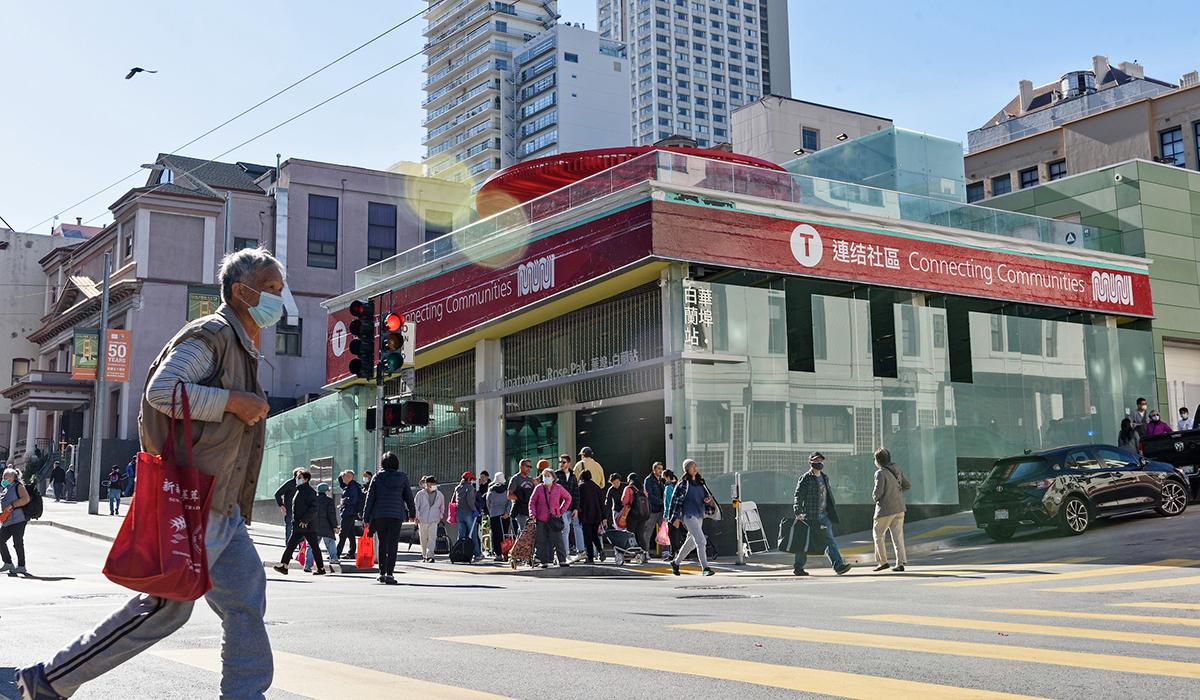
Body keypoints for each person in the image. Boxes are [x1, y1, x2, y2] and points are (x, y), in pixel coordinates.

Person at [18, 246, 280, 699]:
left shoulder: (241, 345)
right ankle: (48, 680)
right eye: (272, 288)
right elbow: (164, 391)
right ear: (241, 292)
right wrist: (234, 401)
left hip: (222, 504)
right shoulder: (213, 334)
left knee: (245, 600)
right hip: (196, 499)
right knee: (165, 608)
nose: (280, 298)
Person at [793, 451, 851, 577]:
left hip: (824, 516)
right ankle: (798, 567)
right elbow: (798, 495)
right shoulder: (805, 478)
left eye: (820, 460)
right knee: (804, 541)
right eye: (816, 460)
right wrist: (798, 511)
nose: (819, 462)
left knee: (829, 540)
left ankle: (838, 566)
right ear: (810, 462)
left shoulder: (825, 477)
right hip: (810, 516)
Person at [362, 452, 416, 584]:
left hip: (380, 515)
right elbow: (409, 497)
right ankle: (390, 574)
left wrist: (366, 517)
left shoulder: (377, 477)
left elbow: (370, 498)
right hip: (396, 514)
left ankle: (382, 573)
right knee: (393, 544)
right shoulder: (402, 477)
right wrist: (412, 514)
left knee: (382, 543)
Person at [667, 459, 714, 576]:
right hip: (688, 515)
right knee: (701, 541)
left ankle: (675, 563)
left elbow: (706, 497)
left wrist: (707, 500)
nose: (695, 468)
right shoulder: (683, 484)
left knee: (691, 543)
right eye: (692, 467)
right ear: (687, 469)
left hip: (699, 515)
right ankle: (705, 568)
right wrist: (675, 517)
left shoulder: (700, 483)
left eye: (695, 466)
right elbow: (675, 501)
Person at [275, 471, 325, 576]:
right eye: (297, 477)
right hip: (300, 524)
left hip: (306, 525)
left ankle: (320, 568)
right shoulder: (300, 490)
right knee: (293, 545)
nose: (297, 479)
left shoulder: (309, 492)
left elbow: (313, 508)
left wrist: (305, 520)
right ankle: (284, 565)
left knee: (311, 546)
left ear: (306, 480)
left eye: (299, 477)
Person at [870, 448, 910, 573]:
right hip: (899, 507)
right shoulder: (896, 469)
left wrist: (875, 497)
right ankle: (900, 562)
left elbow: (878, 492)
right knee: (898, 536)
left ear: (878, 460)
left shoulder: (880, 473)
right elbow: (907, 485)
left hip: (885, 509)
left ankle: (883, 562)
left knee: (878, 535)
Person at [529, 466, 572, 568]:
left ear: (553, 478)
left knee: (558, 540)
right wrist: (532, 514)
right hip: (541, 519)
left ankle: (562, 560)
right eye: (544, 476)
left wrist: (561, 511)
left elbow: (568, 498)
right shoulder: (538, 488)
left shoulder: (558, 488)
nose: (546, 478)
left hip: (554, 518)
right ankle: (544, 562)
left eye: (548, 476)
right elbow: (532, 502)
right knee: (542, 541)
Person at [1, 467, 31, 576]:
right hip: (8, 520)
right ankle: (8, 563)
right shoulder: (6, 487)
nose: (4, 479)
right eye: (3, 477)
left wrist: (12, 505)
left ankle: (21, 566)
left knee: (17, 543)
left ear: (13, 477)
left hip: (18, 519)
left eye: (6, 478)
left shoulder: (19, 486)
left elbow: (26, 499)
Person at [304, 482, 339, 572]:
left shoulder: (312, 500)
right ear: (326, 491)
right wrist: (335, 526)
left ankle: (307, 565)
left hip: (313, 526)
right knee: (330, 542)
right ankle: (334, 559)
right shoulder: (329, 501)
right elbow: (331, 515)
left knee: (311, 546)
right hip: (326, 526)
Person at [554, 455, 581, 557]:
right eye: (560, 462)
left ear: (568, 463)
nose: (561, 464)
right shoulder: (556, 475)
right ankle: (565, 553)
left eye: (563, 462)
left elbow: (576, 493)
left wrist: (576, 508)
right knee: (565, 528)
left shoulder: (573, 476)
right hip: (559, 508)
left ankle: (563, 552)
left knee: (567, 530)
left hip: (570, 507)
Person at [414, 475, 445, 563]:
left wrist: (440, 517)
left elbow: (442, 507)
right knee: (423, 538)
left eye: (434, 483)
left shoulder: (440, 495)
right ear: (427, 484)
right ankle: (424, 555)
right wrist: (417, 516)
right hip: (422, 519)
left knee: (432, 538)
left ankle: (430, 556)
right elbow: (416, 506)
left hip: (434, 519)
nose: (433, 485)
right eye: (432, 483)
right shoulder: (420, 494)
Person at [576, 470, 605, 563]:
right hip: (596, 515)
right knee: (594, 535)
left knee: (587, 537)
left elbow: (578, 501)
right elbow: (602, 503)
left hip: (585, 515)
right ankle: (600, 550)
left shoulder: (581, 487)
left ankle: (590, 557)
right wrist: (604, 517)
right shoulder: (596, 487)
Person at [453, 471, 482, 562]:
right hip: (469, 513)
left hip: (459, 513)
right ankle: (477, 554)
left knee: (461, 535)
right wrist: (474, 510)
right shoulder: (470, 487)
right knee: (473, 534)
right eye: (471, 479)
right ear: (469, 479)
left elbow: (453, 500)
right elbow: (470, 500)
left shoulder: (458, 488)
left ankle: (460, 553)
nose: (472, 481)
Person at [335, 470, 362, 560]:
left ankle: (337, 553)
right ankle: (351, 553)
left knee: (342, 534)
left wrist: (344, 500)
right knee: (350, 533)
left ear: (350, 477)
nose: (342, 478)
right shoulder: (348, 485)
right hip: (349, 512)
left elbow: (353, 500)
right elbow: (340, 481)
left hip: (349, 512)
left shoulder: (352, 486)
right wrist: (342, 474)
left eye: (344, 476)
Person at [485, 472, 511, 563]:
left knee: (495, 535)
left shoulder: (491, 489)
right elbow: (510, 502)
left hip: (494, 515)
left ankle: (498, 554)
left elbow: (488, 502)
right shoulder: (507, 489)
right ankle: (505, 553)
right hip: (505, 515)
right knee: (504, 534)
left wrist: (491, 511)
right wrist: (507, 512)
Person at [274, 467, 303, 543]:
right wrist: (281, 505)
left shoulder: (303, 484)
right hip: (290, 510)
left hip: (301, 511)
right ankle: (289, 545)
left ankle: (301, 547)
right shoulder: (290, 483)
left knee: (302, 529)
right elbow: (277, 494)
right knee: (290, 528)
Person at [507, 458, 535, 536]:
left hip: (529, 510)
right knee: (523, 531)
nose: (529, 468)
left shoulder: (530, 479)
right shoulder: (515, 479)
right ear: (521, 466)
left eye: (530, 467)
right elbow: (509, 495)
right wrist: (521, 498)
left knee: (530, 532)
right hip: (519, 510)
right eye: (527, 466)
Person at [642, 462, 665, 556]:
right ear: (654, 469)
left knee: (664, 531)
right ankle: (645, 552)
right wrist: (662, 502)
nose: (660, 471)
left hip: (661, 510)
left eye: (661, 469)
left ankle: (665, 552)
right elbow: (650, 496)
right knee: (647, 533)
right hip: (652, 510)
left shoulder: (661, 480)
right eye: (658, 468)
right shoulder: (648, 480)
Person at [621, 472, 648, 550]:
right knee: (640, 535)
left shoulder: (628, 488)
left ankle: (630, 551)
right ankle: (644, 552)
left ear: (630, 480)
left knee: (630, 534)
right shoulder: (642, 489)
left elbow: (624, 501)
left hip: (632, 515)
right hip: (643, 514)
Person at [661, 469, 682, 558]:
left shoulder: (668, 487)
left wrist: (666, 515)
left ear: (666, 477)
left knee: (672, 535)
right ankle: (674, 553)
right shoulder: (673, 486)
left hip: (671, 514)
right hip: (675, 513)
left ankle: (673, 553)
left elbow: (669, 502)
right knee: (674, 534)